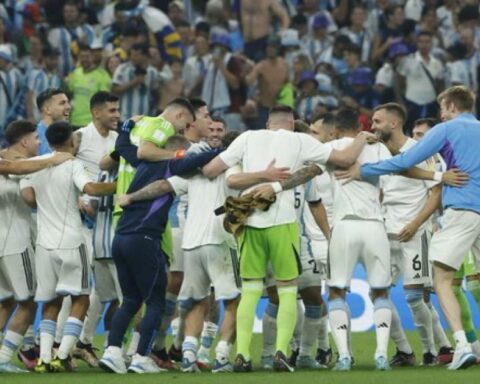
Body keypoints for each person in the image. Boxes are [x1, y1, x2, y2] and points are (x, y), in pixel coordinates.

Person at [201, 105, 378, 372]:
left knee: (250, 291)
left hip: (249, 224)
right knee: (287, 291)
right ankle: (282, 353)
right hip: (283, 224)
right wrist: (362, 137)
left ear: (268, 122)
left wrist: (259, 174)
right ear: (292, 124)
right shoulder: (299, 140)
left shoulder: (247, 138)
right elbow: (344, 159)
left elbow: (211, 169)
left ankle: (242, 355)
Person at [337, 85, 478, 370]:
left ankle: (460, 346)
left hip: (461, 209)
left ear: (451, 105)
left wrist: (362, 171)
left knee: (442, 281)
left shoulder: (445, 129)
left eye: (442, 108)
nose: (441, 114)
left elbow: (404, 162)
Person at [98, 132, 221, 374]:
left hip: (120, 237)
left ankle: (112, 352)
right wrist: (225, 148)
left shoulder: (142, 162)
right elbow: (213, 157)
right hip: (145, 239)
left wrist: (127, 127)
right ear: (181, 151)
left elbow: (123, 146)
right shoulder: (175, 163)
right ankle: (142, 357)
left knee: (131, 300)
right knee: (155, 301)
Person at [19, 122, 116, 373]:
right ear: (73, 141)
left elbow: (28, 198)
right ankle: (62, 354)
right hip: (72, 241)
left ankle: (44, 358)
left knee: (51, 301)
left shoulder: (36, 164)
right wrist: (124, 186)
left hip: (44, 243)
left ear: (49, 141)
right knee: (81, 297)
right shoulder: (73, 164)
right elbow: (91, 188)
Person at [371, 103, 444, 366]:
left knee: (414, 296)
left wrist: (416, 223)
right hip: (385, 232)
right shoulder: (377, 152)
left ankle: (431, 351)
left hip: (414, 232)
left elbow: (436, 191)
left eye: (377, 121)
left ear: (393, 123)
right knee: (377, 294)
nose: (372, 126)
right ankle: (404, 350)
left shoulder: (419, 151)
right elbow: (381, 190)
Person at [73, 92, 121, 367]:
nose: (116, 115)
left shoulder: (118, 141)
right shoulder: (80, 137)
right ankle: (62, 342)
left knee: (101, 292)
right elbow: (63, 166)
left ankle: (82, 341)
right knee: (79, 287)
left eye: (118, 110)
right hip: (82, 220)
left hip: (107, 219)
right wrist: (77, 197)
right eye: (112, 110)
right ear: (96, 113)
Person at [0, 121, 42, 373]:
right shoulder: (24, 168)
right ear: (25, 141)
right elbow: (31, 200)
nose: (39, 142)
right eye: (36, 138)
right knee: (29, 302)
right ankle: (4, 357)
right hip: (16, 242)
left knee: (6, 301)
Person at [394, 32, 445, 133]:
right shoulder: (408, 61)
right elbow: (397, 84)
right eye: (421, 42)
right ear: (417, 43)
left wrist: (441, 107)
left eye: (427, 42)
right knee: (410, 133)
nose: (424, 45)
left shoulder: (437, 63)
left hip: (431, 104)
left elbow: (440, 87)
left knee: (430, 134)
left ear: (431, 44)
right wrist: (401, 104)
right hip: (411, 104)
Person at [246, 35, 289, 129]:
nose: (270, 49)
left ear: (278, 48)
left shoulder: (284, 65)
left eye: (273, 46)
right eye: (269, 46)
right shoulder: (261, 66)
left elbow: (288, 85)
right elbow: (249, 81)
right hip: (264, 108)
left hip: (280, 108)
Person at [112, 43, 160, 121]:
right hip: (126, 117)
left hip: (145, 119)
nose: (133, 58)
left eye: (136, 55)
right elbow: (115, 90)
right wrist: (134, 82)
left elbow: (156, 93)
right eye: (132, 55)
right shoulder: (122, 69)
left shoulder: (152, 72)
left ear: (144, 56)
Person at [67, 44, 112, 128]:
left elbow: (105, 101)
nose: (84, 59)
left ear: (93, 57)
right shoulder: (76, 73)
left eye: (87, 56)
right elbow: (70, 94)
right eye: (82, 57)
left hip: (92, 123)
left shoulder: (103, 76)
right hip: (75, 121)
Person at [35, 88, 71, 155]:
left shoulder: (68, 134)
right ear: (47, 109)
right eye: (62, 103)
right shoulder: (35, 137)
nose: (68, 107)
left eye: (68, 102)